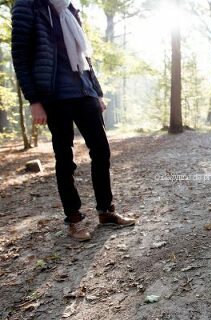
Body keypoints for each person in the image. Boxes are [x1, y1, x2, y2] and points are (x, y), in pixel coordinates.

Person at [11, 0, 136, 241]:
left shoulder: (69, 7)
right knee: (65, 159)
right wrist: (34, 100)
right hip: (53, 95)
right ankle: (74, 218)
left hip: (84, 91)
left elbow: (85, 55)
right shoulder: (27, 5)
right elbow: (20, 55)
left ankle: (105, 210)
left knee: (101, 150)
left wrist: (96, 91)